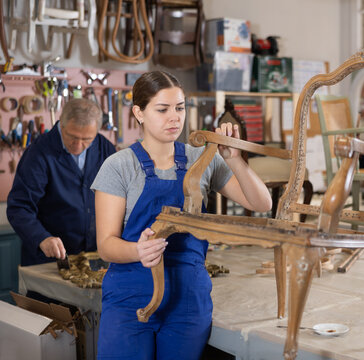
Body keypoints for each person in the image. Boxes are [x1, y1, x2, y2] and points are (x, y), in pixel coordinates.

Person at [91, 70, 272, 360]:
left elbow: (261, 202)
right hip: (130, 297)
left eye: (180, 107)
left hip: (187, 300)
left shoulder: (200, 160)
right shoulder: (118, 166)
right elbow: (106, 244)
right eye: (162, 109)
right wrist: (138, 250)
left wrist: (235, 159)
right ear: (139, 112)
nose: (174, 117)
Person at [7, 98, 116, 266]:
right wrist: (42, 237)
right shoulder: (38, 153)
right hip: (48, 258)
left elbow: (119, 198)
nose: (78, 146)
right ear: (61, 125)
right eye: (72, 137)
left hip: (95, 256)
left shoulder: (105, 148)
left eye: (87, 139)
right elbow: (20, 207)